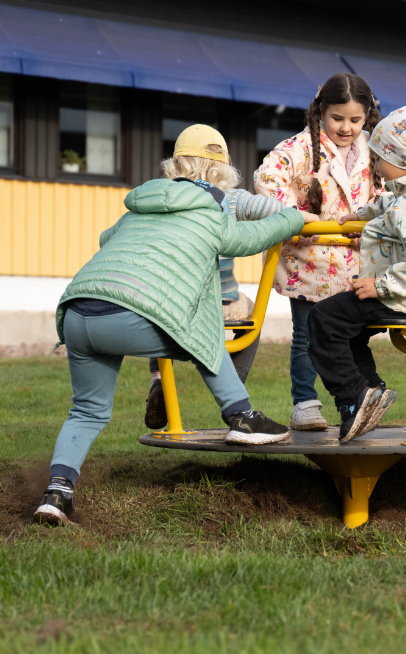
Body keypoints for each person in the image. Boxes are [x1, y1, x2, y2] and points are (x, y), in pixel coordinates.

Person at [34, 156, 315, 526]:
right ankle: (242, 417)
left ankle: (56, 495)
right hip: (130, 313)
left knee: (87, 411)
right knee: (202, 326)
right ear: (216, 191)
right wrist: (293, 217)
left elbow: (106, 239)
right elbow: (250, 239)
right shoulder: (209, 211)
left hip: (78, 312)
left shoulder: (137, 210)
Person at [307, 106, 406, 442]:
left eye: (378, 158)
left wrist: (381, 285)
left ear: (402, 160)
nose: (375, 166)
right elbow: (387, 204)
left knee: (323, 319)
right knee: (347, 328)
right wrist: (359, 215)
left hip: (404, 295)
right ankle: (369, 393)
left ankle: (354, 398)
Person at [254, 73, 381, 432]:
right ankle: (305, 403)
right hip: (308, 260)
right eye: (337, 118)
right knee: (306, 332)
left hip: (353, 260)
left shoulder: (373, 151)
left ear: (367, 116)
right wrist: (299, 216)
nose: (346, 128)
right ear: (320, 111)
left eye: (355, 120)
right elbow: (266, 181)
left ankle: (359, 395)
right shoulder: (299, 148)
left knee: (349, 334)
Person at [143, 124, 287, 429]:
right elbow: (272, 209)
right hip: (218, 303)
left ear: (177, 163)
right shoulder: (230, 199)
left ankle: (158, 380)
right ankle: (234, 384)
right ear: (224, 167)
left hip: (171, 301)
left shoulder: (163, 197)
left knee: (158, 302)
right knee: (252, 313)